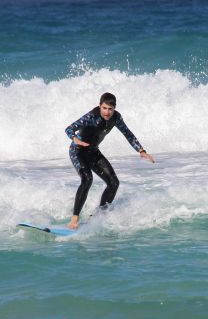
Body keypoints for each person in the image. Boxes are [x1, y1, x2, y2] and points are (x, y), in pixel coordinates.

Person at [64, 92, 154, 229]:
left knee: (114, 183)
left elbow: (128, 133)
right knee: (87, 179)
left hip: (93, 151)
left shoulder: (116, 118)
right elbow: (69, 128)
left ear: (114, 108)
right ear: (100, 106)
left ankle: (98, 216)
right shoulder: (91, 117)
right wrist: (75, 139)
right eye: (104, 108)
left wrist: (141, 151)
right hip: (78, 151)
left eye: (110, 109)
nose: (107, 112)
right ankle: (74, 220)